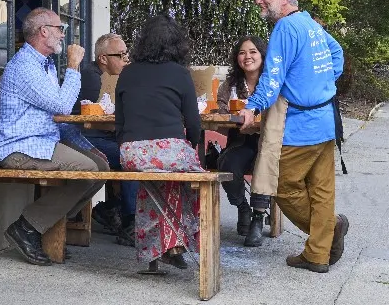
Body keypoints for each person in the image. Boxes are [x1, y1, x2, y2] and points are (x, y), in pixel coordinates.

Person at [238, 0, 348, 274]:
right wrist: (321, 82)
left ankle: (329, 230)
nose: (260, 1)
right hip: (326, 122)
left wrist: (251, 106)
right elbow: (337, 54)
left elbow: (272, 79)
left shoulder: (285, 28)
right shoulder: (311, 24)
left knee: (282, 186)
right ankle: (316, 254)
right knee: (322, 191)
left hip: (300, 128)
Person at [0, 8, 109, 266]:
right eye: (59, 29)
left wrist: (88, 146)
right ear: (43, 31)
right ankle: (26, 227)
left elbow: (58, 120)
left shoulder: (42, 66)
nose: (62, 35)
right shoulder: (25, 66)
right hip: (20, 147)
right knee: (88, 170)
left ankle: (45, 227)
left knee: (100, 166)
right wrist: (73, 67)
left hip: (42, 142)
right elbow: (63, 107)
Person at [115, 16, 203, 271]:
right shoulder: (180, 74)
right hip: (171, 152)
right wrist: (191, 147)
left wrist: (128, 146)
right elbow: (194, 124)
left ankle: (158, 249)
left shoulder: (127, 72)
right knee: (185, 181)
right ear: (177, 44)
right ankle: (176, 242)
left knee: (152, 186)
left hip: (132, 154)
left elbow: (119, 122)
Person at [216, 35, 287, 247]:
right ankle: (241, 207)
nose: (247, 56)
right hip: (240, 141)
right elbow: (220, 114)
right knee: (226, 164)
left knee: (265, 162)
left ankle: (258, 218)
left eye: (253, 52)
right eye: (242, 52)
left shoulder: (273, 83)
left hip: (268, 141)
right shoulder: (229, 85)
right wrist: (232, 117)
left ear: (263, 56)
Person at [78, 34, 137, 244]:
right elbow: (90, 118)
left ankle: (109, 209)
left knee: (128, 152)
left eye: (126, 54)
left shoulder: (104, 76)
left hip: (98, 136)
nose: (126, 60)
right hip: (84, 139)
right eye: (121, 55)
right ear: (103, 58)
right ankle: (130, 221)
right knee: (130, 158)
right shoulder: (93, 77)